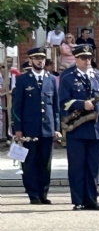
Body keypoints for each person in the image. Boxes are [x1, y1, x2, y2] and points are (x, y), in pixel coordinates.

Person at [58, 44, 99, 210]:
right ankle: (79, 200)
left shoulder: (98, 77)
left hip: (96, 129)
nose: (87, 61)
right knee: (77, 167)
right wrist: (81, 104)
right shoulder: (68, 77)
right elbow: (63, 103)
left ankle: (91, 200)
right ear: (76, 58)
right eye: (84, 58)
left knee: (93, 167)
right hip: (77, 129)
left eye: (89, 57)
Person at [11, 47, 61, 204]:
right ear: (31, 60)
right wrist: (17, 128)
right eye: (37, 58)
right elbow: (16, 106)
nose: (40, 61)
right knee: (30, 162)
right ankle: (33, 194)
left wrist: (57, 128)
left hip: (47, 128)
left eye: (42, 58)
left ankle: (43, 193)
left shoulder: (51, 79)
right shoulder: (23, 79)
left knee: (45, 162)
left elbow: (56, 107)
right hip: (29, 128)